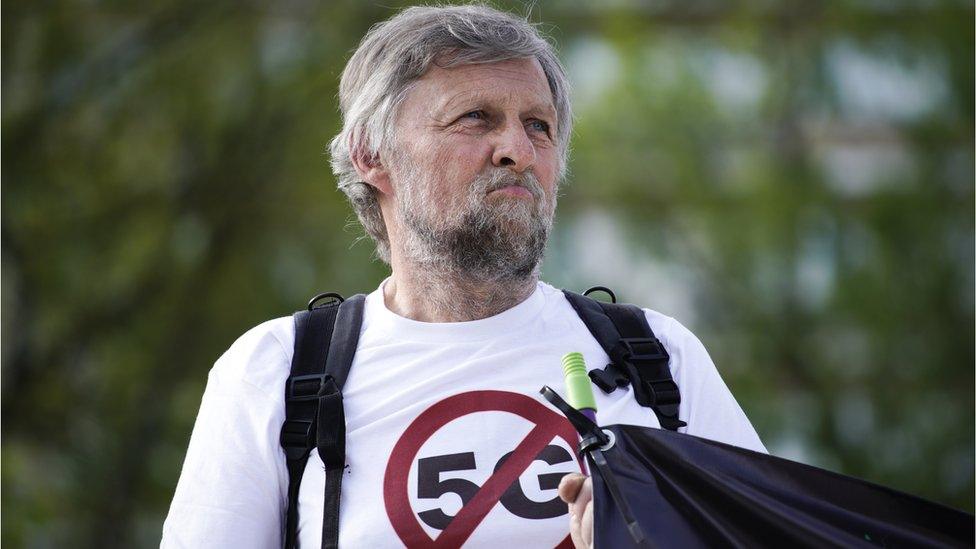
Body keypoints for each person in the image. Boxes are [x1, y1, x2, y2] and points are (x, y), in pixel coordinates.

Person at [161, 4, 766, 548]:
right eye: (476, 118)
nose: (519, 152)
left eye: (539, 126)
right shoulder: (276, 372)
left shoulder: (659, 363)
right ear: (372, 153)